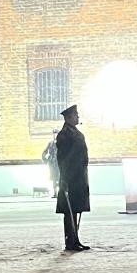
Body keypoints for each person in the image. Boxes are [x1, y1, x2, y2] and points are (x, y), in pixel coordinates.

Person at [55, 105, 90, 252]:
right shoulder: (64, 135)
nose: (78, 117)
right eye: (76, 115)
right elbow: (62, 158)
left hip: (78, 176)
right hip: (70, 177)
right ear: (69, 118)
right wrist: (64, 177)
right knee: (69, 211)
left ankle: (75, 239)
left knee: (75, 209)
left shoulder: (74, 132)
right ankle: (70, 241)